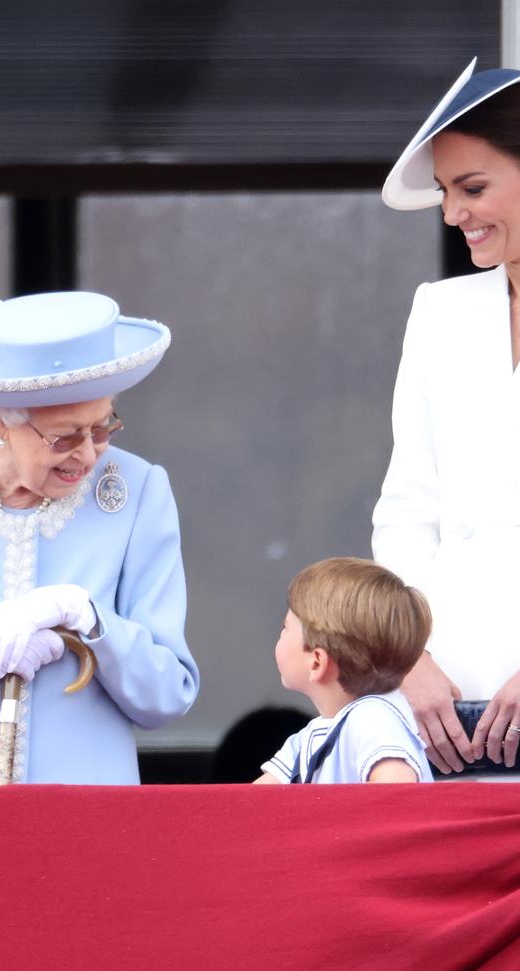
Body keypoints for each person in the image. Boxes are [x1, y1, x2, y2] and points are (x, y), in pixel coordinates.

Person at [0, 290, 199, 784]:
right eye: (64, 437)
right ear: (1, 421)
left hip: (85, 820)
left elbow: (168, 694)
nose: (88, 456)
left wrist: (89, 620)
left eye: (103, 427)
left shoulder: (139, 491)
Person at [373, 58, 520, 776]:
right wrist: (408, 659)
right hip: (445, 714)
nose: (453, 213)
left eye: (473, 188)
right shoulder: (441, 311)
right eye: (444, 192)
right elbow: (407, 508)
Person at [255, 557, 433, 784]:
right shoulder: (309, 737)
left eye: (285, 627)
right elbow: (253, 802)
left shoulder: (372, 718)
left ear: (317, 663)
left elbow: (397, 787)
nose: (280, 634)